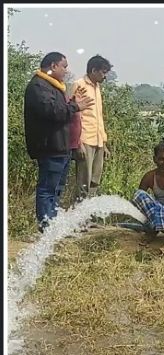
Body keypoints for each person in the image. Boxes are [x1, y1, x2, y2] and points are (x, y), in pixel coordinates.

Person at [24, 51, 94, 232]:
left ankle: (52, 224)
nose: (66, 71)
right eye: (64, 66)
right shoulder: (38, 86)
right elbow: (53, 112)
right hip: (50, 147)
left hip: (61, 147)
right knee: (47, 189)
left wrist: (72, 103)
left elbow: (60, 110)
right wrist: (75, 106)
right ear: (53, 66)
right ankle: (46, 226)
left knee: (56, 189)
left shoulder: (52, 86)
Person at [70, 54, 112, 203]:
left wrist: (104, 143)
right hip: (85, 139)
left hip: (98, 139)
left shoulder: (97, 87)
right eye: (103, 72)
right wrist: (78, 142)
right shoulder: (79, 85)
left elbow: (98, 116)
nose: (105, 76)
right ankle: (80, 214)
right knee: (84, 181)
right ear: (94, 70)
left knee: (95, 180)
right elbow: (74, 115)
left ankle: (90, 212)